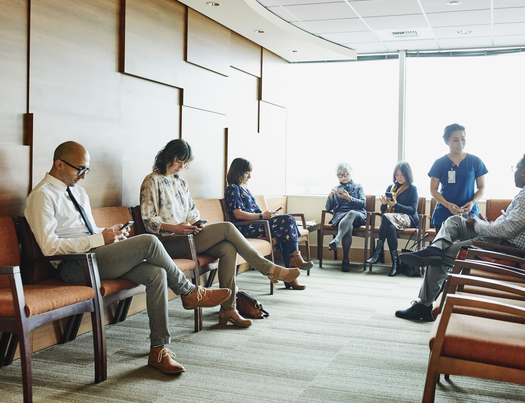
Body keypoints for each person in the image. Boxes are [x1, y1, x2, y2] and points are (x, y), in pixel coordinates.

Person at [24, 141, 231, 374]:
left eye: (86, 170)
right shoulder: (42, 196)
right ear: (59, 164)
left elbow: (90, 234)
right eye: (79, 169)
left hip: (96, 258)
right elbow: (49, 247)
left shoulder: (79, 192)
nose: (83, 176)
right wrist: (98, 240)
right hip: (74, 266)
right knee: (149, 241)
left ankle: (158, 349)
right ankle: (190, 292)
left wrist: (110, 236)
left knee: (156, 273)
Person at [139, 139, 301, 328]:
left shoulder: (181, 182)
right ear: (168, 157)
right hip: (168, 242)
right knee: (227, 228)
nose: (181, 166)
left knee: (227, 247)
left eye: (185, 163)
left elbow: (192, 212)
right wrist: (174, 228)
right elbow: (148, 220)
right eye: (178, 161)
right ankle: (269, 269)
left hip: (188, 237)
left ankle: (228, 309)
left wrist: (195, 224)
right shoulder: (152, 181)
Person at [394, 152, 525, 322]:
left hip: (502, 248)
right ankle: (435, 248)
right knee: (455, 221)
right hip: (499, 239)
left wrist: (479, 225)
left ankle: (424, 305)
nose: (514, 172)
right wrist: (484, 224)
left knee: (440, 257)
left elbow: (505, 230)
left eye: (517, 168)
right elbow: (508, 226)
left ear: (524, 172)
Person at [224, 158, 313, 290]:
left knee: (287, 227)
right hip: (245, 227)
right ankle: (294, 263)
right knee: (288, 220)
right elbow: (238, 214)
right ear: (239, 172)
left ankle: (292, 270)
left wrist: (268, 215)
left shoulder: (245, 189)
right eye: (247, 173)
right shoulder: (233, 188)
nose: (249, 176)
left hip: (258, 224)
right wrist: (262, 216)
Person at [428, 123, 487, 233]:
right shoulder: (439, 163)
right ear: (446, 141)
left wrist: (473, 202)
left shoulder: (476, 161)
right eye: (455, 140)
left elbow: (481, 187)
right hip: (444, 214)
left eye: (463, 139)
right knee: (442, 248)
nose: (460, 143)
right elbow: (433, 190)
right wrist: (448, 205)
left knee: (467, 249)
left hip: (469, 213)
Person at [365, 162, 419, 277]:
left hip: (409, 219)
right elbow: (383, 210)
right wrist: (384, 204)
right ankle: (395, 265)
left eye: (402, 175)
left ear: (408, 175)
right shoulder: (391, 188)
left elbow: (412, 210)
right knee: (390, 227)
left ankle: (377, 253)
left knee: (386, 218)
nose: (399, 178)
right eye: (397, 175)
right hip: (392, 220)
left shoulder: (412, 189)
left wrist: (396, 205)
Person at [325, 163, 367, 272]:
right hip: (341, 216)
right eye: (339, 175)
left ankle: (337, 239)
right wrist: (329, 197)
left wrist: (349, 198)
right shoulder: (335, 189)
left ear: (351, 173)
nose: (342, 177)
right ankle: (345, 260)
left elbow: (363, 204)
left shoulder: (358, 186)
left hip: (357, 214)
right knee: (348, 227)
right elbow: (328, 208)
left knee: (351, 213)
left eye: (345, 174)